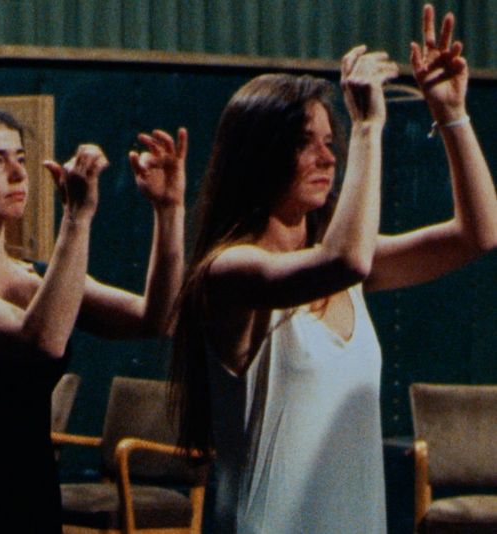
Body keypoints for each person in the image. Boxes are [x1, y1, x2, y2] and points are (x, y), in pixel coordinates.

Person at [170, 4, 497, 533]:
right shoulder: (229, 270)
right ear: (260, 156)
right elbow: (344, 259)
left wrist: (451, 112)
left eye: (330, 141)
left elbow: (479, 233)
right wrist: (367, 126)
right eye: (305, 143)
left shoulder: (351, 271)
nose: (327, 158)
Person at [0, 106, 188, 533]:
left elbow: (156, 318)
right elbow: (40, 340)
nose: (18, 174)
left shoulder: (35, 277)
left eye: (20, 158)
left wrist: (168, 211)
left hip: (29, 495)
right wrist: (76, 217)